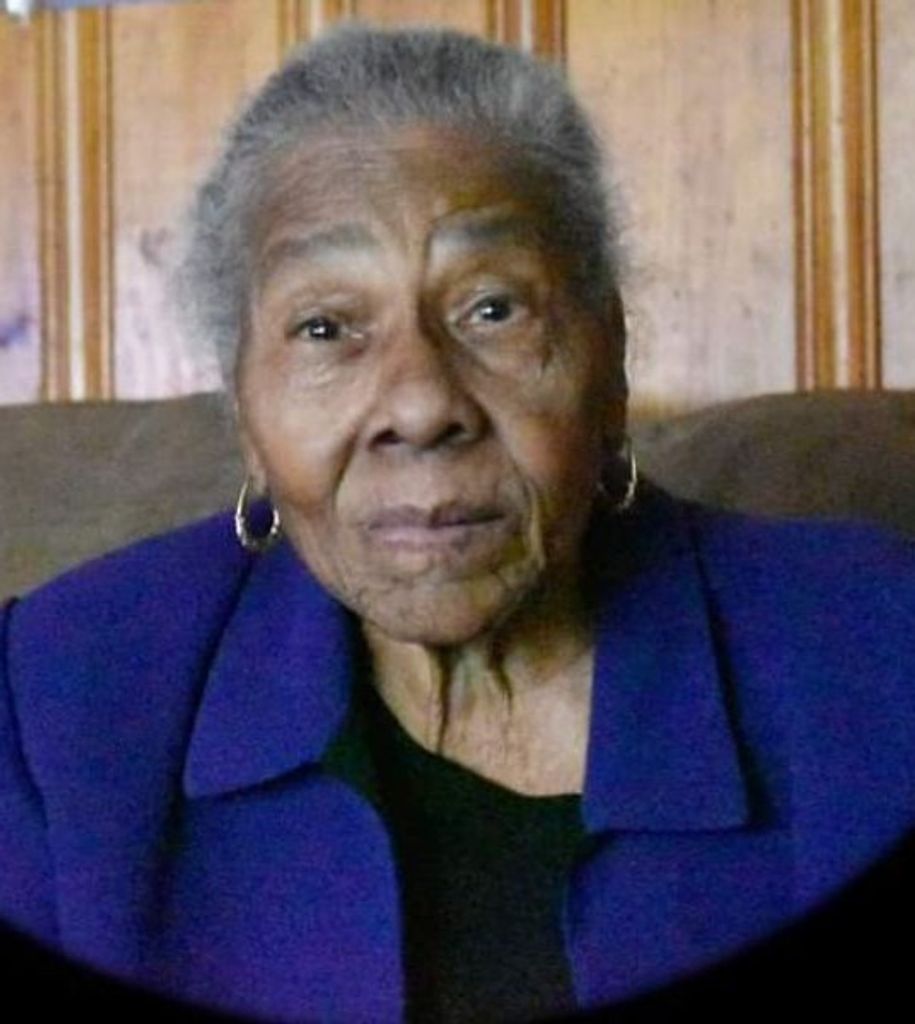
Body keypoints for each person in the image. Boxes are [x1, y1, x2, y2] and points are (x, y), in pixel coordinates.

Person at [1, 23, 914, 1024]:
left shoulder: (876, 657)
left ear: (610, 361)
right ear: (245, 413)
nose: (420, 403)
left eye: (491, 309)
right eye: (325, 327)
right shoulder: (58, 701)